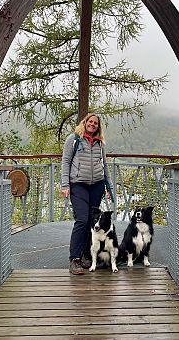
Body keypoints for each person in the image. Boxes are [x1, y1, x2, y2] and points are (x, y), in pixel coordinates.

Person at [61, 113, 114, 275]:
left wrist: (109, 187)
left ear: (98, 126)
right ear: (84, 123)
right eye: (90, 122)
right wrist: (65, 184)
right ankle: (74, 259)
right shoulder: (74, 139)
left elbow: (104, 165)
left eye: (95, 123)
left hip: (97, 185)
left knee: (92, 222)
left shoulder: (100, 143)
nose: (92, 125)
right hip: (78, 185)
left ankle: (85, 256)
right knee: (82, 220)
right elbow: (65, 161)